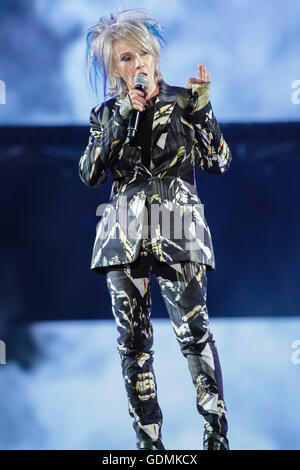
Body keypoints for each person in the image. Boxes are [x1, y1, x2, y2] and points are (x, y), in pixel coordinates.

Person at [79, 8, 232, 451]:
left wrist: (203, 112)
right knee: (133, 342)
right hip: (123, 236)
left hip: (177, 227)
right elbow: (89, 172)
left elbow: (218, 161)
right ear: (114, 69)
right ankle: (149, 444)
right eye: (125, 58)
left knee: (193, 332)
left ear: (156, 56)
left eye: (142, 53)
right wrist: (124, 114)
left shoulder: (185, 102)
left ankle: (216, 434)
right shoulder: (106, 114)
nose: (137, 63)